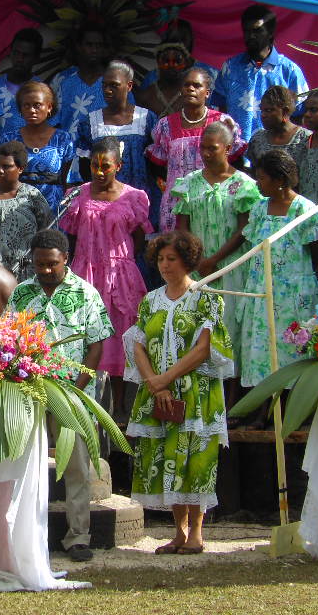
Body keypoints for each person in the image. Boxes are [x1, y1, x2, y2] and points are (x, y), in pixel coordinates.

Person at [7, 229, 113, 562]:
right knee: (24, 463)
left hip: (73, 394)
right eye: (39, 264)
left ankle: (78, 537)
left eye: (51, 264)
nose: (45, 270)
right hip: (31, 391)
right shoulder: (22, 294)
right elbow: (11, 341)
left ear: (65, 259)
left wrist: (76, 389)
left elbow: (96, 345)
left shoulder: (86, 293)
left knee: (77, 466)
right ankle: (24, 535)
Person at [124, 231, 235, 554]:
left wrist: (167, 378)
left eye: (171, 259)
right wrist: (153, 383)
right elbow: (138, 343)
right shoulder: (151, 300)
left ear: (187, 261)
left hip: (196, 393)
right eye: (160, 259)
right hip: (158, 392)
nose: (165, 265)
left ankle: (197, 532)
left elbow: (204, 347)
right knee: (165, 454)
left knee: (195, 458)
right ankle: (179, 531)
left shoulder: (206, 298)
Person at [60, 136, 152, 416]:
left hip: (120, 276)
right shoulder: (77, 196)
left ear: (119, 166)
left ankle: (121, 409)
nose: (99, 172)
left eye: (106, 166)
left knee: (120, 337)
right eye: (94, 166)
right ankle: (85, 405)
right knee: (85, 335)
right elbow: (72, 239)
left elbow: (138, 238)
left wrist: (118, 263)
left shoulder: (134, 197)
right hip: (85, 272)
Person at [236, 150, 318, 399]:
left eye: (263, 178)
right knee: (261, 349)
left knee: (291, 347)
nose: (258, 183)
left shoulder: (304, 209)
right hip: (261, 290)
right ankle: (263, 406)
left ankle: (291, 405)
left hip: (293, 295)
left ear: (280, 180)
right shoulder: (259, 209)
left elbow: (317, 251)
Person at [172, 122, 261, 354]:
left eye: (212, 148)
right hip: (196, 268)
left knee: (230, 326)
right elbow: (182, 227)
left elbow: (244, 229)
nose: (206, 154)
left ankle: (231, 388)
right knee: (196, 326)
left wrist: (214, 260)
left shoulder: (244, 185)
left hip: (231, 267)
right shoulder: (189, 183)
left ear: (228, 148)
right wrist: (196, 259)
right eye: (202, 148)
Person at [148, 67, 245, 233]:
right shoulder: (165, 125)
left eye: (197, 85)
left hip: (214, 200)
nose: (190, 89)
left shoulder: (223, 123)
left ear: (207, 92)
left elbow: (236, 162)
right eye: (186, 85)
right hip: (176, 204)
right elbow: (157, 165)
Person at [211, 4, 309, 141]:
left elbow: (300, 114)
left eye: (257, 31)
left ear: (270, 33)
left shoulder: (289, 70)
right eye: (247, 31)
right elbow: (218, 110)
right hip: (236, 153)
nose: (251, 36)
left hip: (276, 153)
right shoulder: (230, 67)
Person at [76, 60, 157, 207]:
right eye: (105, 85)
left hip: (139, 200)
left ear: (129, 86)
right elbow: (84, 166)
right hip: (103, 202)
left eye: (114, 85)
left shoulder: (146, 118)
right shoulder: (90, 122)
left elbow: (154, 162)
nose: (107, 90)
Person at [0, 140, 53, 281]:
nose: (0, 171)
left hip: (26, 275)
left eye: (7, 167)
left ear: (21, 168)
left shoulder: (32, 197)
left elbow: (47, 232)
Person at [0, 81, 77, 214]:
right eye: (26, 105)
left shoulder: (63, 139)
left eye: (37, 105)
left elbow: (69, 180)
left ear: (49, 107)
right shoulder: (8, 139)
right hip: (16, 210)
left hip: (53, 210)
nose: (31, 110)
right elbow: (0, 178)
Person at [136, 21, 219, 117]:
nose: (177, 43)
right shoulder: (151, 78)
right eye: (172, 39)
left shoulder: (209, 74)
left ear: (190, 41)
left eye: (182, 39)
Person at [51, 26, 111, 139]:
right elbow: (54, 124)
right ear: (79, 47)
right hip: (71, 153)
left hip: (104, 153)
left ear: (104, 49)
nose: (94, 50)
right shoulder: (66, 85)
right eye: (89, 45)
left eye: (98, 45)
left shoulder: (115, 84)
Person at [0, 28, 43, 139]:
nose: (20, 59)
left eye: (26, 55)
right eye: (16, 53)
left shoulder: (43, 93)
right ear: (11, 53)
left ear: (36, 58)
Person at [244, 85, 311, 169]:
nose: (263, 115)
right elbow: (253, 175)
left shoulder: (306, 139)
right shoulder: (257, 139)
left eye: (269, 110)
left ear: (285, 111)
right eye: (262, 110)